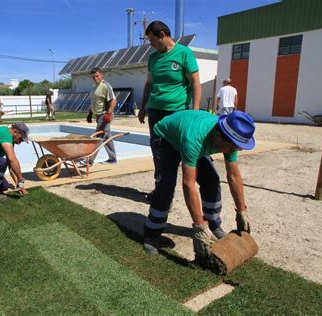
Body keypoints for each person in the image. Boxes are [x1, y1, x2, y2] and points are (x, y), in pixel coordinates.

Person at [142, 109, 255, 266]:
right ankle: (152, 233)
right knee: (166, 185)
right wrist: (198, 226)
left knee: (211, 179)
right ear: (218, 135)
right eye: (232, 147)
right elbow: (189, 183)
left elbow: (234, 176)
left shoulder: (230, 139)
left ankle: (213, 225)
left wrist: (242, 210)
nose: (234, 151)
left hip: (191, 133)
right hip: (165, 138)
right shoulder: (194, 138)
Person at [137, 21, 201, 198]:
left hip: (177, 113)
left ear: (163, 35)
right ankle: (161, 190)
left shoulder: (184, 53)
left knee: (181, 153)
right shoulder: (153, 58)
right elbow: (148, 84)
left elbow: (195, 83)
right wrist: (142, 108)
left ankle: (190, 189)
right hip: (155, 113)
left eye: (152, 40)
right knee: (158, 153)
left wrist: (194, 112)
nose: (151, 44)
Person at [85, 67, 117, 166]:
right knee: (106, 137)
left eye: (97, 76)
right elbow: (94, 102)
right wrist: (90, 113)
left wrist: (108, 114)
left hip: (105, 115)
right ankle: (113, 158)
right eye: (93, 77)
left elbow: (113, 101)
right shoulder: (94, 86)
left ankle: (90, 160)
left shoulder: (106, 86)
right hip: (98, 115)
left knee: (98, 136)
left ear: (101, 75)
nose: (95, 78)